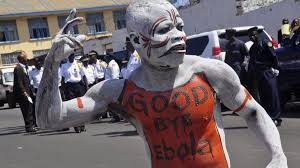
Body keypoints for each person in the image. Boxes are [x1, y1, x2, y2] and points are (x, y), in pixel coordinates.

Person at [36, 2, 287, 168]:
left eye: (180, 27)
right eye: (164, 30)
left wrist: (278, 154)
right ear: (136, 40)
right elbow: (49, 119)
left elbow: (252, 111)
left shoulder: (210, 72)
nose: (179, 36)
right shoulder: (119, 92)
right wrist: (52, 63)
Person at [247, 27, 283, 127]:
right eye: (250, 36)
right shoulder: (252, 48)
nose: (252, 37)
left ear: (256, 34)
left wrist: (276, 68)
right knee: (264, 96)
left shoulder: (265, 43)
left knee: (272, 95)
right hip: (259, 74)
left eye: (253, 35)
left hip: (268, 71)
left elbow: (273, 56)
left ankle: (276, 117)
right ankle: (268, 118)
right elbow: (252, 62)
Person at [60, 53, 86, 133]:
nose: (71, 57)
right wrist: (63, 90)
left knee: (81, 107)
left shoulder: (78, 64)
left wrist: (86, 87)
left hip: (78, 86)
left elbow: (84, 76)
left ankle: (82, 125)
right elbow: (62, 78)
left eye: (72, 55)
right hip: (69, 87)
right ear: (68, 56)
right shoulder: (64, 66)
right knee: (73, 107)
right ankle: (76, 126)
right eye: (70, 56)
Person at [13, 51, 38, 133]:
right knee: (26, 110)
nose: (27, 59)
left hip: (28, 91)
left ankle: (32, 125)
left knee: (30, 109)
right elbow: (19, 82)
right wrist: (24, 92)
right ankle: (29, 127)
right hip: (23, 94)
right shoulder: (18, 68)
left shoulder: (24, 67)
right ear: (22, 59)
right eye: (25, 58)